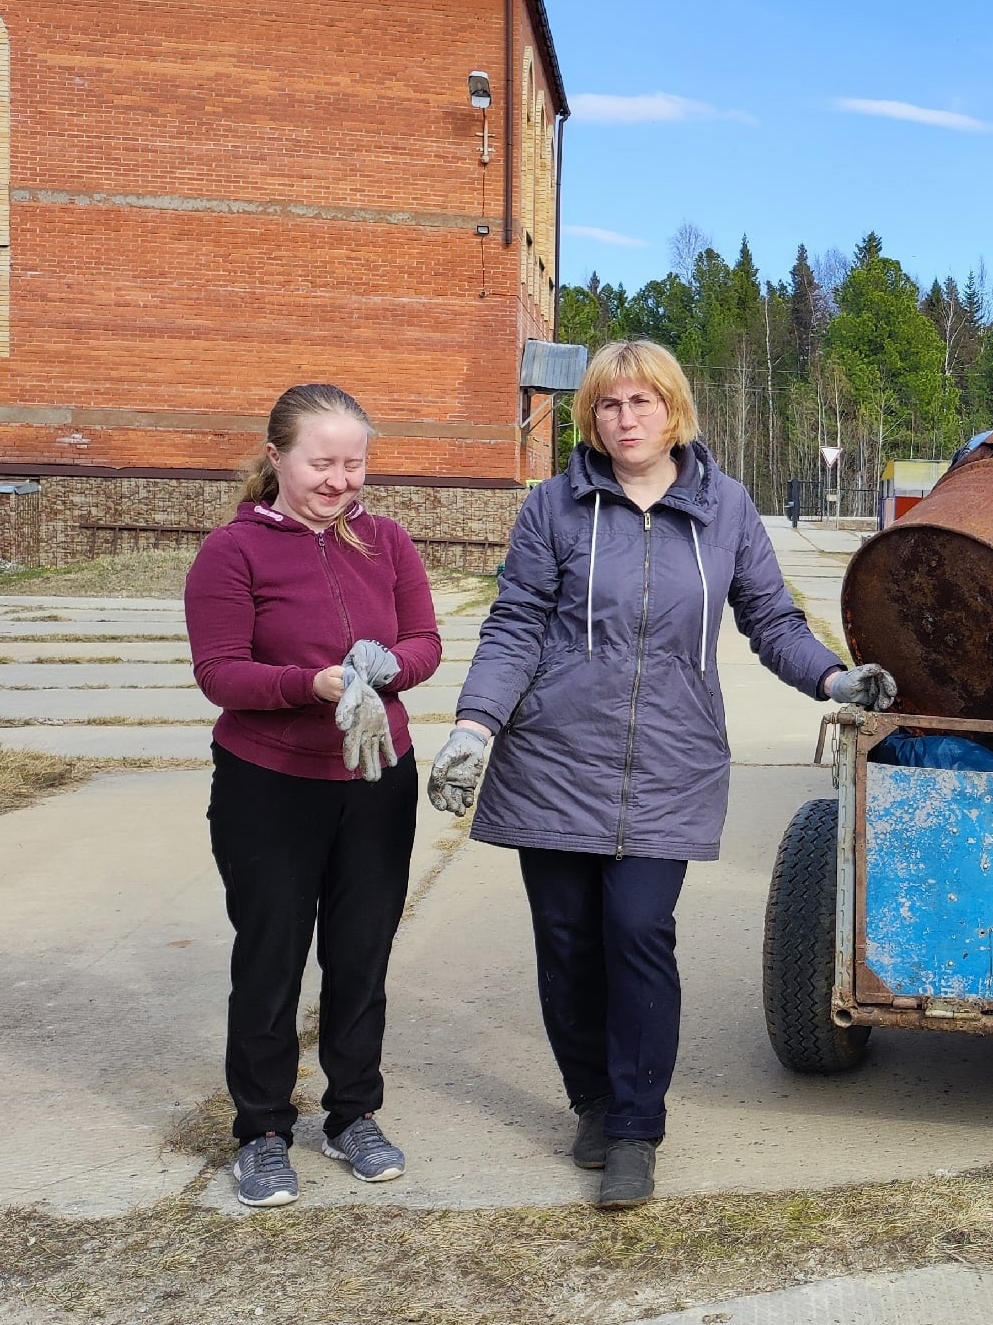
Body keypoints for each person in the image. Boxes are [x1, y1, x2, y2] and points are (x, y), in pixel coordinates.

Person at [425, 340, 896, 1210]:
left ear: (674, 410)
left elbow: (770, 620)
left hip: (671, 761)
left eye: (642, 401)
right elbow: (516, 625)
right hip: (554, 761)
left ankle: (639, 1126)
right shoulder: (552, 509)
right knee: (567, 946)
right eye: (608, 404)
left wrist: (834, 677)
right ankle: (594, 1104)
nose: (625, 417)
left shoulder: (725, 510)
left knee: (639, 932)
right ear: (591, 418)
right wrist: (474, 724)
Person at [186, 384, 441, 1209]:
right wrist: (313, 682)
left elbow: (425, 641)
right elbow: (219, 672)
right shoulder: (233, 552)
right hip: (271, 785)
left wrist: (389, 667)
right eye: (321, 462)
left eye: (354, 462)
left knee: (361, 953)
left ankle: (352, 1114)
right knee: (271, 955)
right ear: (278, 457)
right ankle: (262, 1129)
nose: (340, 480)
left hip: (375, 780)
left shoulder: (388, 541)